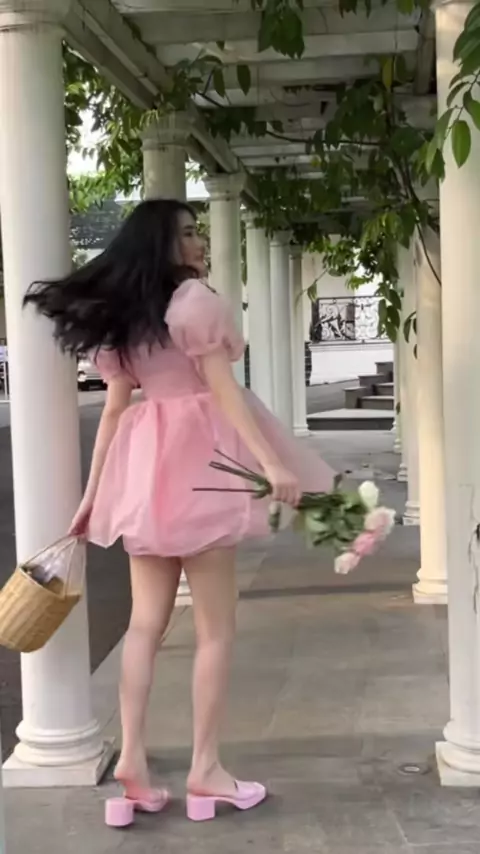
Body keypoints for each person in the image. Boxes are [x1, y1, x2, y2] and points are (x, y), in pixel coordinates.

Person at [24, 199, 334, 824]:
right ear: (162, 244)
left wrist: (92, 496)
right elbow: (224, 393)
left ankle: (133, 767)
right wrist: (271, 464)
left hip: (147, 469)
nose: (199, 242)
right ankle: (205, 771)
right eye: (188, 233)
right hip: (202, 467)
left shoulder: (128, 316)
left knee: (145, 626)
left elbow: (116, 413)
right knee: (216, 629)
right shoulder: (194, 303)